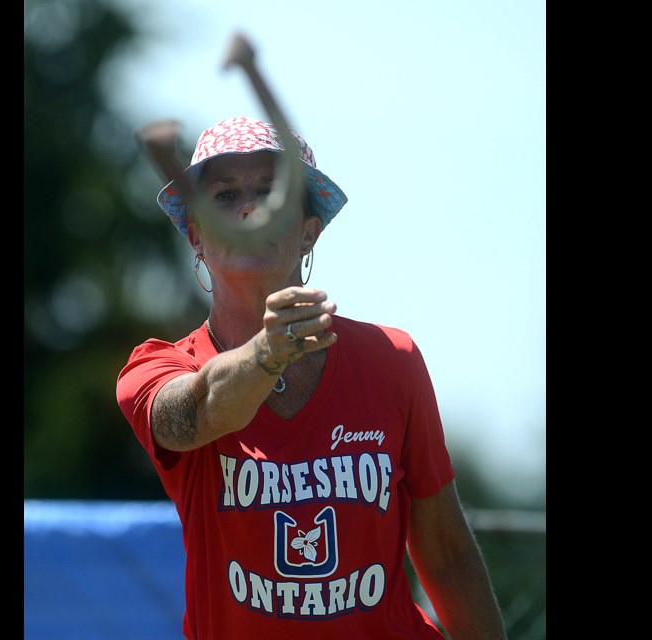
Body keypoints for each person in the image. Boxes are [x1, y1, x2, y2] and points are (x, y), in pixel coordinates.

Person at [117, 115, 506, 639]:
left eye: (272, 194)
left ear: (307, 231)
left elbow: (447, 554)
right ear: (196, 236)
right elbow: (194, 415)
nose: (250, 210)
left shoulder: (392, 359)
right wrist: (266, 354)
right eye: (226, 197)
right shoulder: (155, 367)